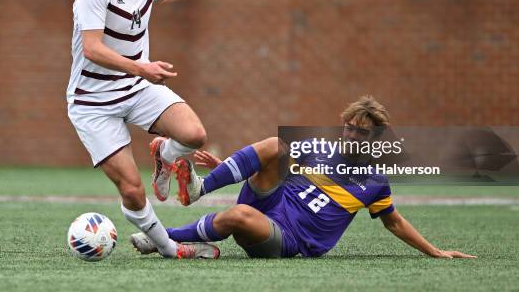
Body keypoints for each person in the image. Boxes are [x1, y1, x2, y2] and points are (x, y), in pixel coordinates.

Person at [67, 0, 241, 259]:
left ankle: (165, 155)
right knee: (132, 190)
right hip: (93, 103)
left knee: (193, 134)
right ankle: (169, 248)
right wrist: (141, 68)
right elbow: (92, 48)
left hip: (135, 87)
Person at [131, 95, 477, 259]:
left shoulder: (375, 182)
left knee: (239, 216)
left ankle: (164, 239)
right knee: (275, 145)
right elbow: (266, 166)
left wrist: (435, 251)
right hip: (270, 203)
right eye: (348, 127)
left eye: (361, 133)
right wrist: (224, 167)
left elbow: (395, 223)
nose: (351, 135)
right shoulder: (317, 148)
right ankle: (199, 189)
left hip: (288, 238)